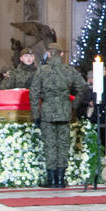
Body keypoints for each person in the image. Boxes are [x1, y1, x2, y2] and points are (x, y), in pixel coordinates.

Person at [31, 45, 86, 187]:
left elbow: (34, 94)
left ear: (48, 54)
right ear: (61, 54)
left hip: (47, 112)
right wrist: (74, 105)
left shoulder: (41, 71)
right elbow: (83, 87)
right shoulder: (69, 71)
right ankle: (61, 179)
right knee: (63, 145)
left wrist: (35, 114)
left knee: (50, 145)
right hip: (64, 112)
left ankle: (51, 180)